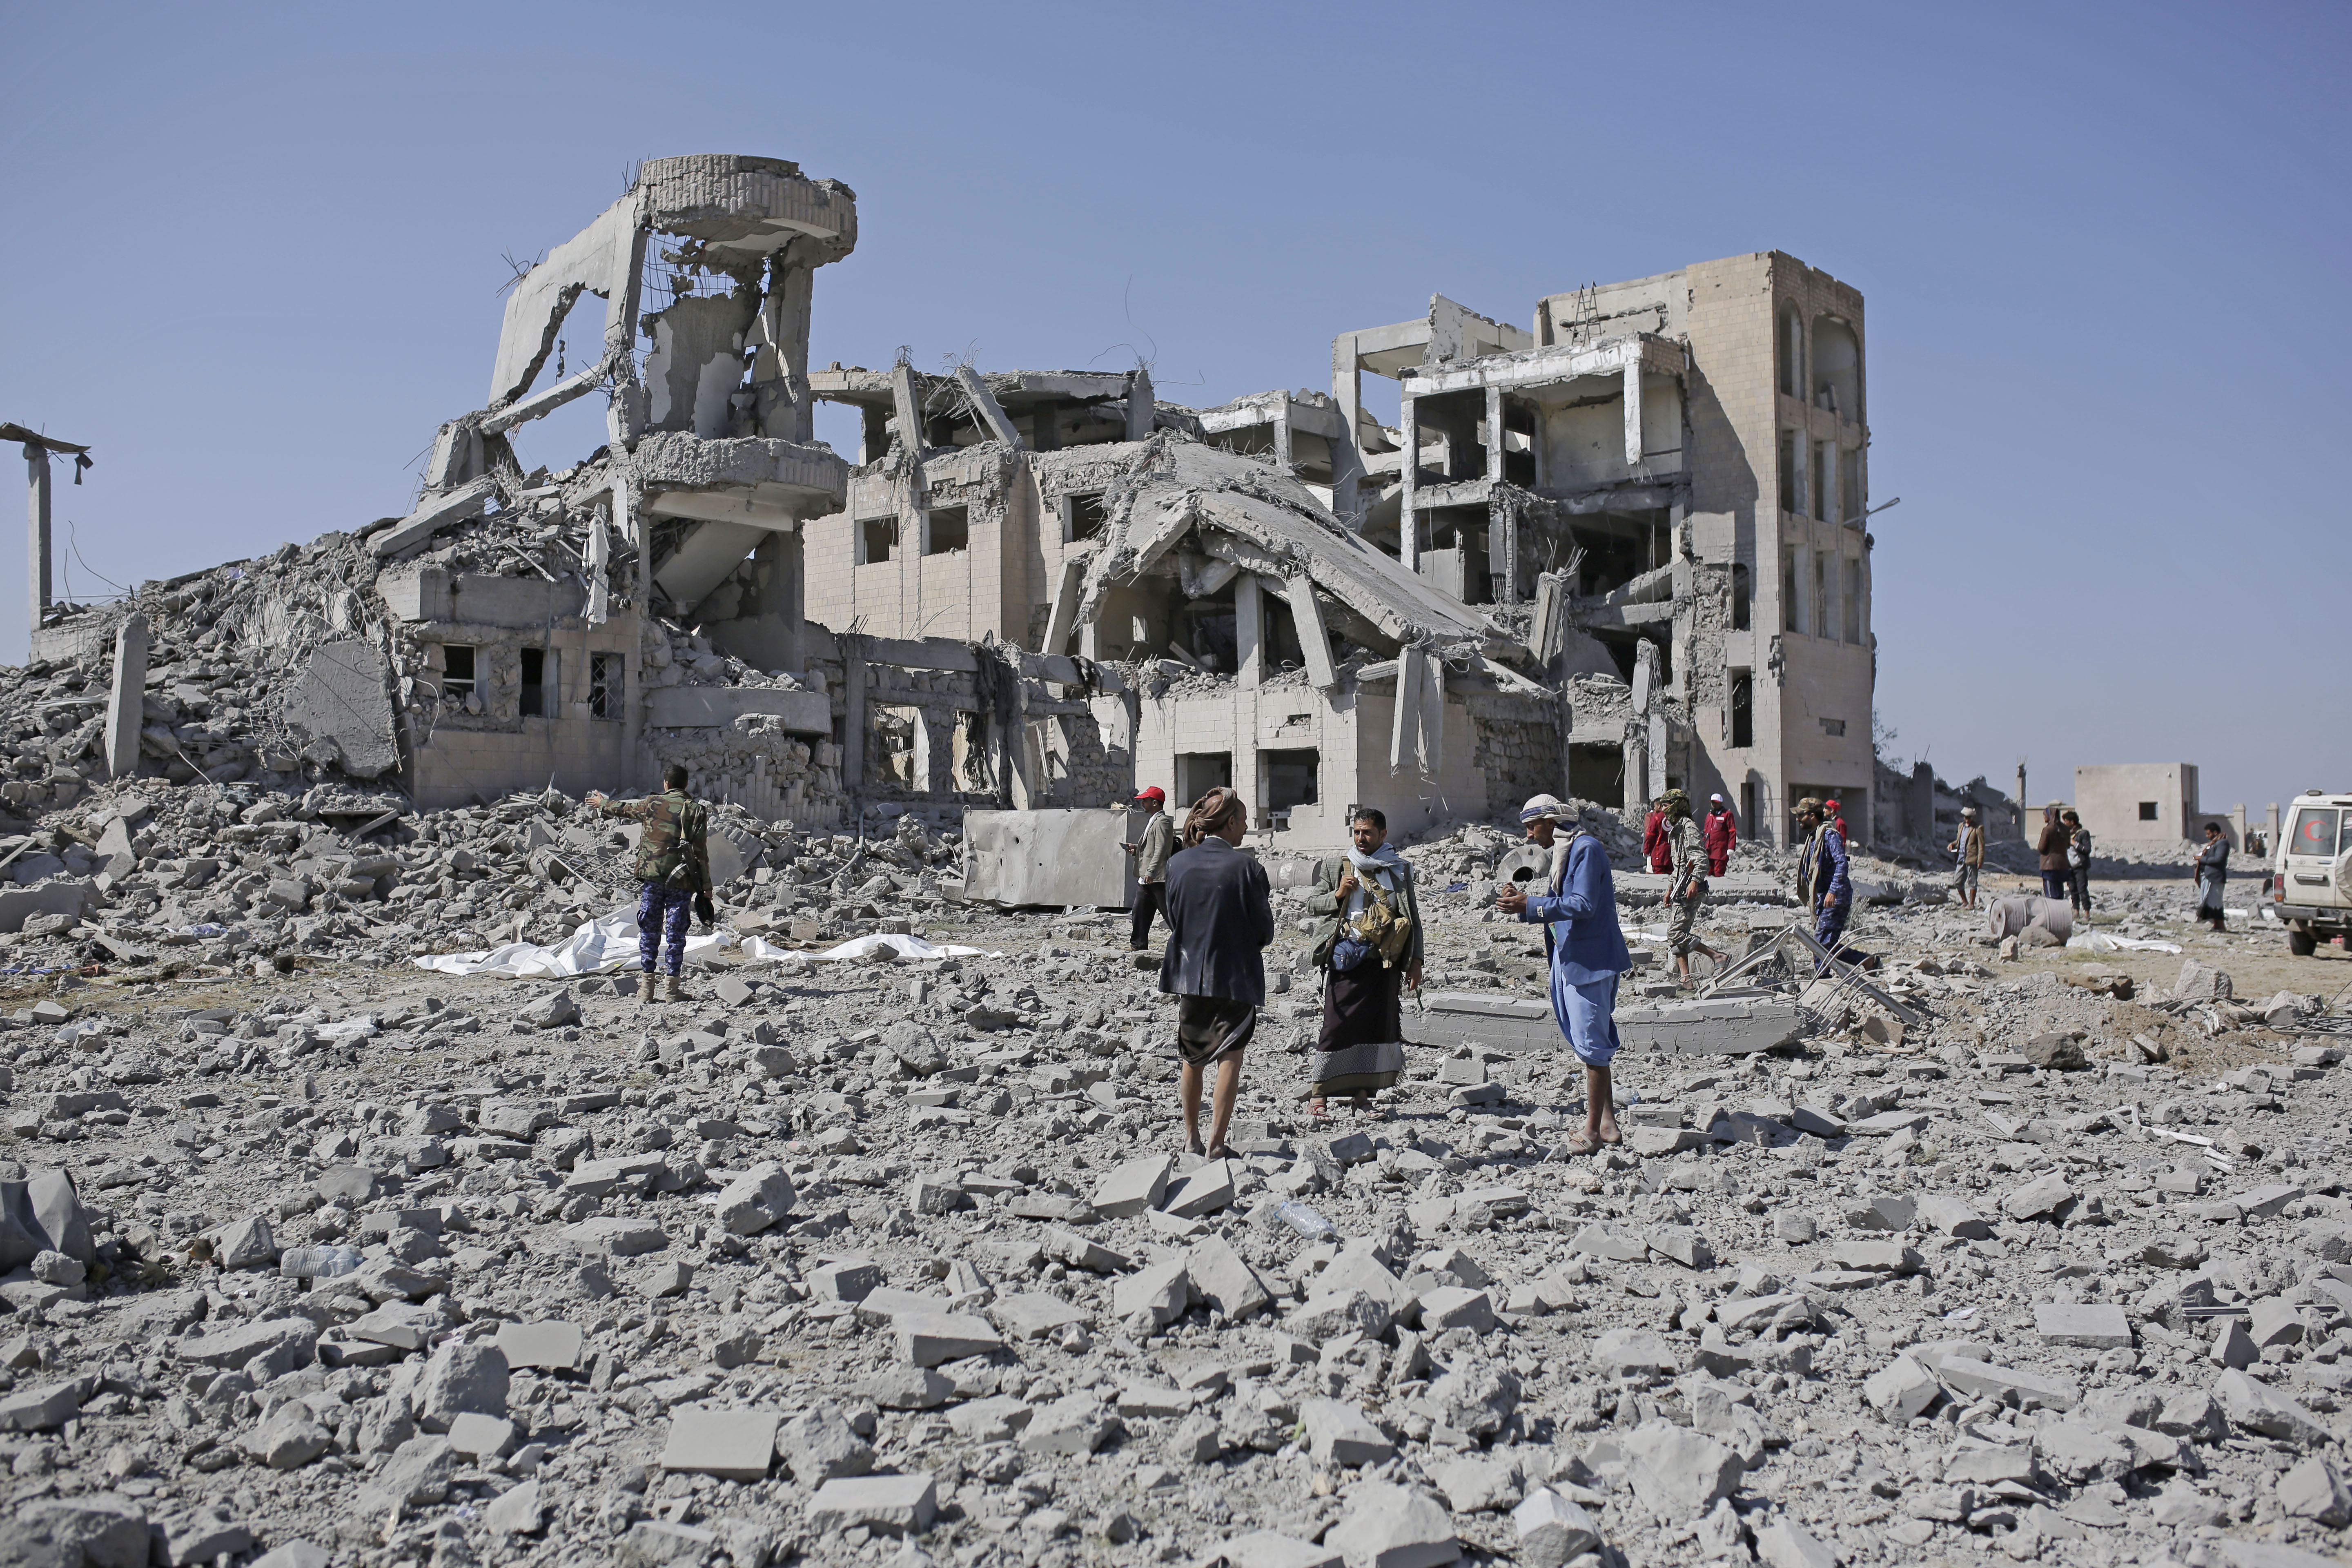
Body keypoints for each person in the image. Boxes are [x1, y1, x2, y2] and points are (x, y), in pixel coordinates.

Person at [1497, 795, 1632, 1155]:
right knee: (1586, 1041)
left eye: (1532, 827)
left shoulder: (1586, 849)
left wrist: (1530, 904)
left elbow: (1583, 904)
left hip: (1590, 960)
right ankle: (1608, 1124)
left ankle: (1592, 1132)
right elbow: (1563, 900)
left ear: (1551, 822)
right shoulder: (1565, 851)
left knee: (1592, 1045)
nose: (1529, 836)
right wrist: (1523, 901)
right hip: (1569, 956)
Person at [1158, 786, 1274, 1158]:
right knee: (1231, 1057)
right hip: (1235, 976)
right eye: (1243, 821)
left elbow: (1174, 918)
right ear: (1230, 822)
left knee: (1192, 1058)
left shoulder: (1178, 865)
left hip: (1189, 977)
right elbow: (1264, 931)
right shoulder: (1249, 869)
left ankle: (1191, 1138)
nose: (1246, 827)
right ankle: (1217, 1144)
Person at [1304, 807, 1424, 1120]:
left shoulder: (1399, 869)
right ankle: (1319, 1095)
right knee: (1336, 1027)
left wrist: (1416, 961)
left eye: (1367, 833)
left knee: (1374, 1029)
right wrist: (1338, 894)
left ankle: (1363, 1098)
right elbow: (1312, 904)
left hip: (1384, 963)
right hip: (1346, 959)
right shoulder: (1338, 865)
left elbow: (1412, 916)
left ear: (1383, 834)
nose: (1361, 838)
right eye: (1357, 832)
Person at [585, 763, 714, 1004]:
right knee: (676, 933)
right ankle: (672, 990)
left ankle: (646, 989)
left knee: (649, 930)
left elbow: (624, 809)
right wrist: (706, 886)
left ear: (666, 784)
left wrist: (602, 803)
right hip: (681, 881)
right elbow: (701, 853)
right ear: (686, 784)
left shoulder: (652, 804)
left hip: (653, 877)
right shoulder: (696, 810)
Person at [1661, 788, 1730, 987]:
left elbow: (1701, 860)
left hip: (1690, 889)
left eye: (1666, 806)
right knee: (1677, 933)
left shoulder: (1688, 828)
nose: (1664, 810)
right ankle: (1686, 980)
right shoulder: (1677, 829)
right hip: (1680, 887)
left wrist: (1694, 882)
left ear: (1676, 805)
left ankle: (1717, 956)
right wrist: (1670, 888)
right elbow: (1679, 865)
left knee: (1675, 933)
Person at [1794, 796, 1852, 968]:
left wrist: (1832, 892)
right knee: (1827, 944)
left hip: (1835, 897)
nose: (1798, 819)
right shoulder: (1814, 838)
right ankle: (1868, 961)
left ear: (1812, 816)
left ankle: (1822, 979)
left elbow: (1842, 863)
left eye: (1801, 815)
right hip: (1822, 897)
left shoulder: (1829, 836)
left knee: (1820, 944)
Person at [1121, 786, 1176, 951]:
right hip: (1146, 879)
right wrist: (1136, 848)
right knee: (1139, 912)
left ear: (1155, 803)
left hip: (1157, 878)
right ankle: (1138, 946)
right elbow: (1151, 847)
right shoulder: (1154, 820)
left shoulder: (1163, 822)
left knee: (1170, 914)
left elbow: (1162, 849)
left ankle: (1187, 943)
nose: (1142, 803)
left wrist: (1152, 871)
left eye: (1145, 800)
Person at [2193, 820, 2230, 932]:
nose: (2207, 836)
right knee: (2210, 902)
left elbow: (2218, 860)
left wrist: (2202, 859)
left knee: (2216, 903)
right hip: (2209, 877)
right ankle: (2216, 926)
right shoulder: (2214, 844)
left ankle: (2221, 926)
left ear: (2215, 832)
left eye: (2209, 834)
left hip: (2215, 877)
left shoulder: (2223, 843)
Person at [1947, 806, 1984, 911]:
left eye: (1969, 818)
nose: (1967, 820)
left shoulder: (1978, 828)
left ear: (1973, 817)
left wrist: (1980, 860)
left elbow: (1981, 846)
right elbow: (1959, 841)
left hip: (1972, 859)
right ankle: (1965, 902)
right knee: (1957, 882)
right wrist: (1952, 845)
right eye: (1966, 817)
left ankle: (1971, 905)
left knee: (1972, 882)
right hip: (1961, 858)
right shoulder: (1961, 826)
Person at [2036, 804, 2070, 903]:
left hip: (2049, 866)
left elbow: (2042, 848)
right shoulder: (2065, 829)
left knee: (2051, 896)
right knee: (2059, 893)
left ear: (2050, 816)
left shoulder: (2048, 830)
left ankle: (2054, 911)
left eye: (2045, 815)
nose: (2044, 817)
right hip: (2063, 865)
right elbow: (2068, 845)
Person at [2063, 808, 2094, 916]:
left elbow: (2087, 849)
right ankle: (2076, 911)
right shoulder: (2066, 834)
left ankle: (2087, 912)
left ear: (2072, 822)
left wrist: (2075, 843)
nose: (2064, 824)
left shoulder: (2083, 833)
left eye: (2066, 821)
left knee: (2082, 890)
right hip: (2069, 867)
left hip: (2080, 867)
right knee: (2073, 890)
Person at [1702, 793, 1737, 878]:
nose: (1714, 805)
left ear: (1721, 803)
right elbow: (1706, 832)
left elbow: (1732, 832)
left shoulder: (1727, 815)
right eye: (1713, 803)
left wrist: (1731, 848)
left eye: (1716, 803)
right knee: (1709, 874)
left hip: (1720, 852)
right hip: (1709, 850)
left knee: (1718, 873)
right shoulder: (1709, 816)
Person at [1642, 797, 1671, 874]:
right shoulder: (1674, 817)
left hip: (1658, 853)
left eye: (1655, 806)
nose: (1654, 808)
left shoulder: (1656, 818)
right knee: (1672, 877)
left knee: (1659, 878)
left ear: (1659, 806)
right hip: (1672, 854)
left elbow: (1650, 836)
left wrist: (1646, 850)